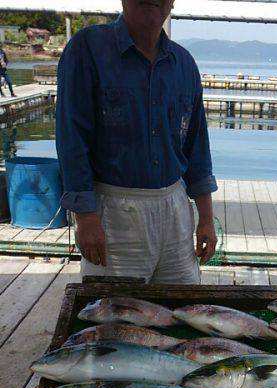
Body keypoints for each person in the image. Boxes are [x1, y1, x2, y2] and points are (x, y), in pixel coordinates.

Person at [56, 0, 218, 281]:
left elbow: (197, 148)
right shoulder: (87, 49)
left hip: (175, 207)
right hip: (112, 210)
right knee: (115, 312)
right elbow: (72, 140)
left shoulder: (185, 65)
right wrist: (86, 216)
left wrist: (206, 218)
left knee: (180, 306)